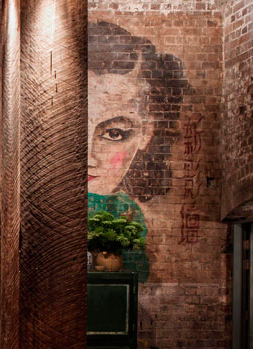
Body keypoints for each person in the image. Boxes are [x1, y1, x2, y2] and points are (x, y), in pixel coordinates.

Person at [87, 20, 190, 282]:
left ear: (147, 133)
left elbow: (138, 274)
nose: (88, 157)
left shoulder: (128, 214)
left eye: (114, 133)